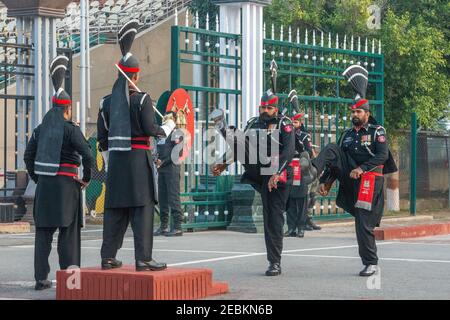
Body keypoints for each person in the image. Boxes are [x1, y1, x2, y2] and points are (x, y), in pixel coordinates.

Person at [97, 20, 175, 272]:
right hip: (138, 161)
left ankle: (108, 257)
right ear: (136, 75)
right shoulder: (142, 99)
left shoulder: (105, 102)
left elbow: (102, 138)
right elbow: (152, 131)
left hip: (117, 162)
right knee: (142, 209)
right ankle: (143, 258)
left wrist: (110, 163)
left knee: (115, 210)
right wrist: (171, 126)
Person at [309, 65, 397, 276]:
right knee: (332, 148)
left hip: (369, 180)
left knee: (362, 222)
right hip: (350, 176)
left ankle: (370, 262)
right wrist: (327, 181)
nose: (355, 114)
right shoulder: (347, 134)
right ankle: (312, 171)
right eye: (353, 111)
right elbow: (336, 161)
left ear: (367, 113)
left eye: (358, 111)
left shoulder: (378, 131)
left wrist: (362, 168)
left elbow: (382, 156)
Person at [24, 55, 93, 290]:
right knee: (69, 236)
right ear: (67, 109)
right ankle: (71, 282)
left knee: (43, 236)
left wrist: (39, 178)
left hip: (45, 186)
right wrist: (86, 179)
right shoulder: (71, 130)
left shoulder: (40, 129)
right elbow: (88, 155)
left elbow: (27, 157)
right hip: (67, 186)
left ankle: (41, 279)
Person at [212, 88, 298, 276]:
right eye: (262, 107)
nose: (264, 110)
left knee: (272, 218)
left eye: (268, 108)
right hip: (259, 169)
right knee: (239, 136)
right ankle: (222, 127)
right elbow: (240, 147)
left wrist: (276, 173)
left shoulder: (285, 124)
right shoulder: (254, 123)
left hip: (278, 173)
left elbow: (289, 152)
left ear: (275, 109)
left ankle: (274, 262)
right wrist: (224, 164)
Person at [285, 113, 314, 238]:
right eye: (291, 122)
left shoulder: (303, 136)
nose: (293, 125)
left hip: (300, 169)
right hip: (288, 169)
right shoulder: (284, 135)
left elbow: (308, 152)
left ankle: (300, 228)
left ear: (300, 123)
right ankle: (291, 228)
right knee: (289, 200)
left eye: (295, 122)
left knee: (301, 201)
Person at [154, 125, 184, 237]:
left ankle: (177, 227)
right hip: (161, 169)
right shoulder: (161, 133)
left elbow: (178, 153)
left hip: (171, 169)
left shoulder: (177, 133)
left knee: (173, 197)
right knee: (162, 198)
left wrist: (163, 162)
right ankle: (164, 226)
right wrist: (155, 159)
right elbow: (157, 149)